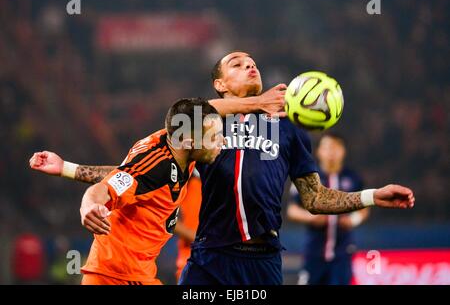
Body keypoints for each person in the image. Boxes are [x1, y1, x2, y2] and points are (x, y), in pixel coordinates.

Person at [30, 51, 415, 285]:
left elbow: (315, 197)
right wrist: (71, 170)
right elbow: (140, 166)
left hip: (262, 259)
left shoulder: (289, 129)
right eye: (237, 63)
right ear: (219, 84)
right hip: (209, 257)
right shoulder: (204, 125)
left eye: (253, 63)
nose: (250, 66)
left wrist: (372, 196)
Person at [66, 98, 223, 284]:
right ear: (189, 143)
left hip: (140, 273)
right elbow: (103, 189)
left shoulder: (176, 141)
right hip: (115, 276)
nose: (221, 142)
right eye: (213, 138)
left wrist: (66, 168)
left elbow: (125, 173)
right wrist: (88, 206)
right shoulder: (156, 167)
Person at [287, 133, 369, 285]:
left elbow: (364, 209)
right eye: (327, 147)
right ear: (319, 151)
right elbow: (292, 210)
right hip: (314, 252)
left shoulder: (353, 178)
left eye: (336, 147)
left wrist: (353, 220)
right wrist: (310, 217)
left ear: (343, 151)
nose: (331, 152)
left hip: (342, 253)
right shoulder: (307, 178)